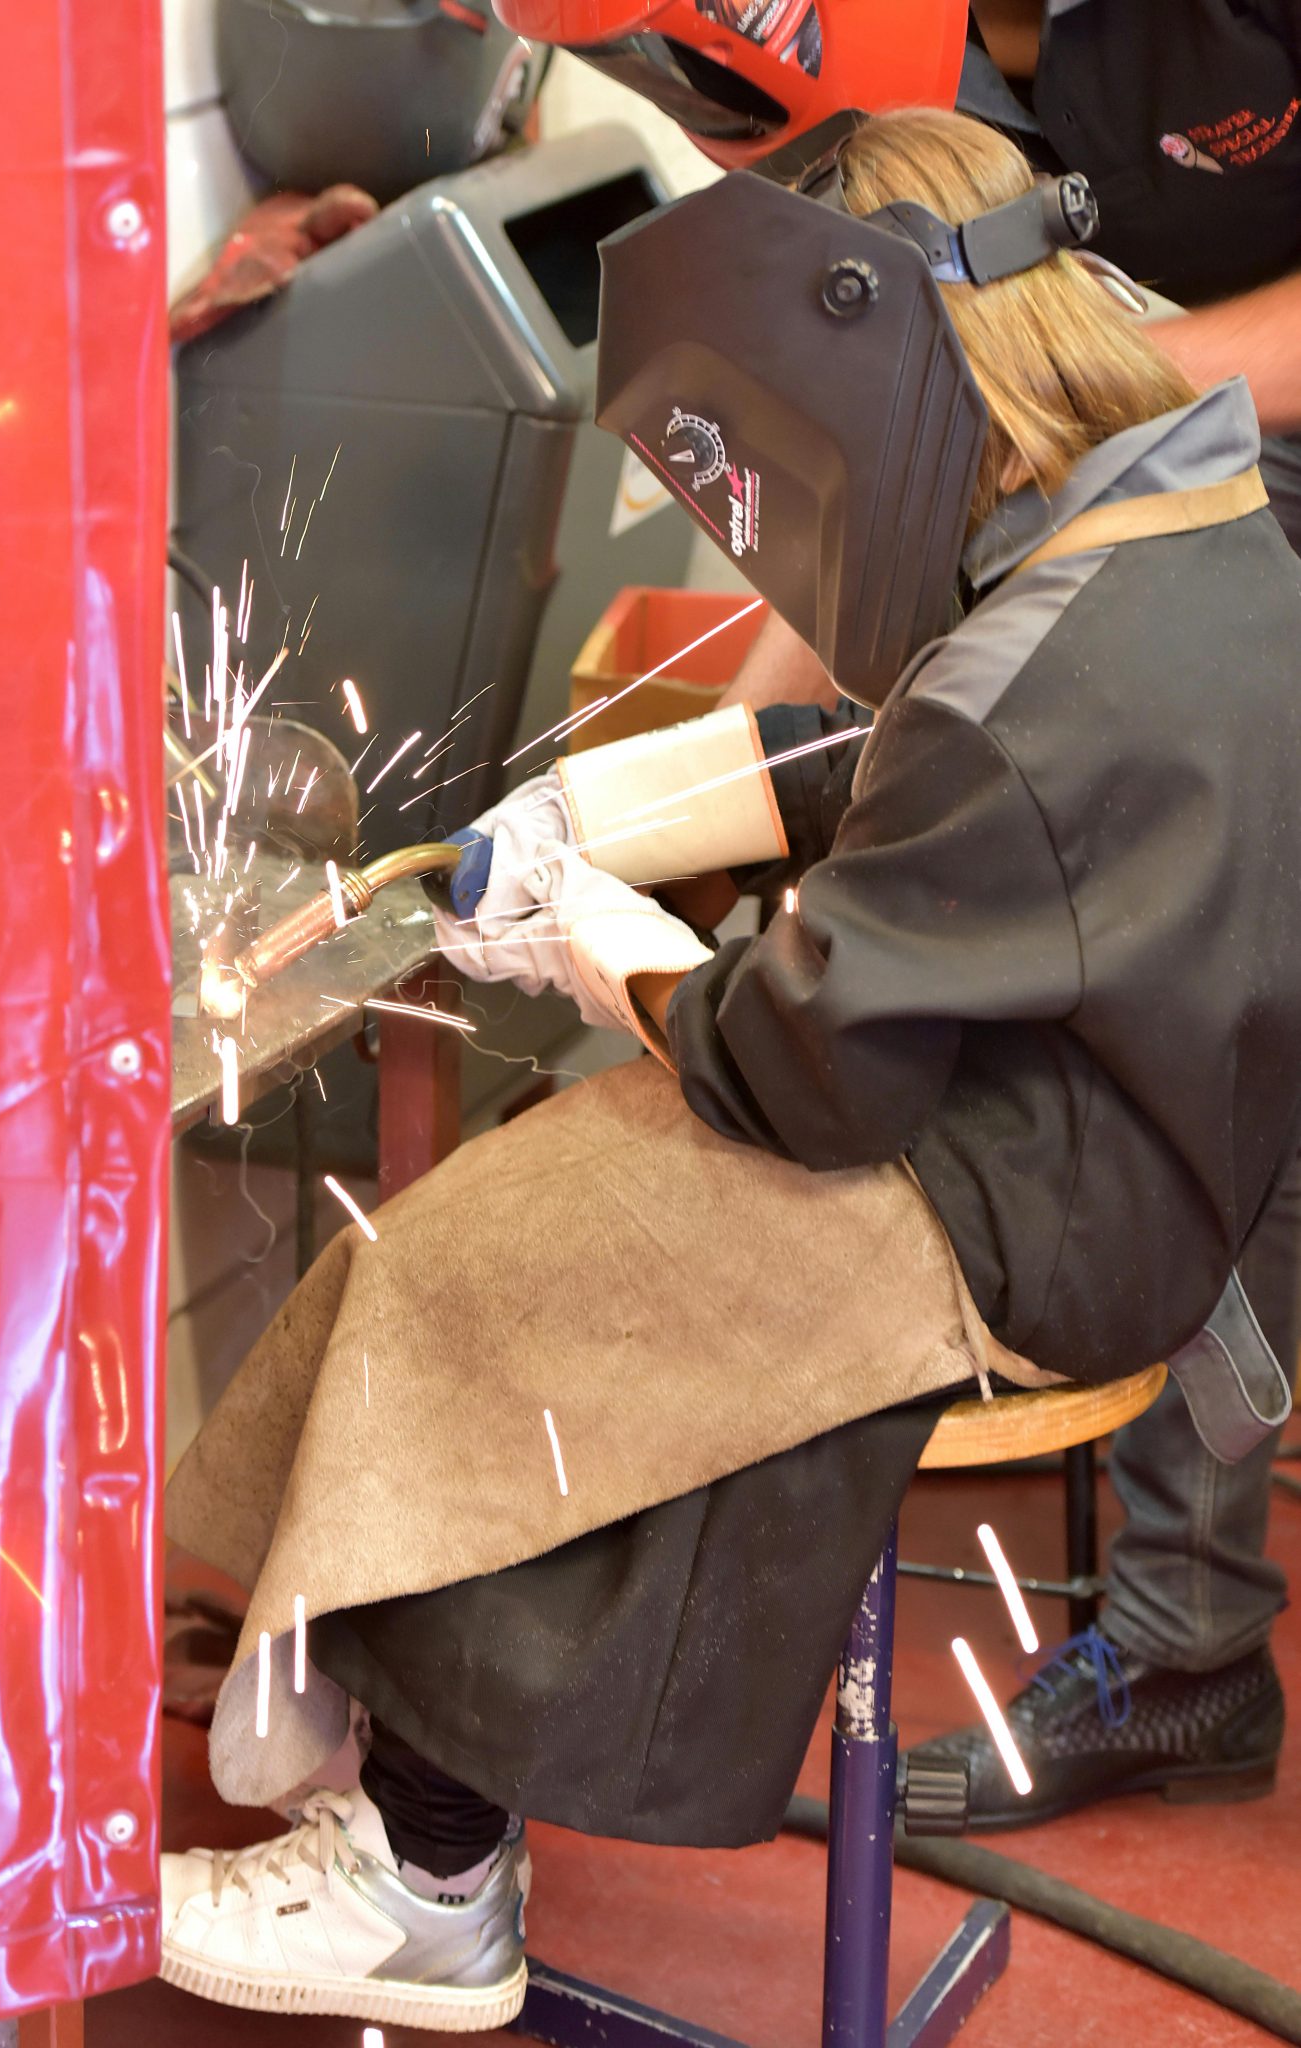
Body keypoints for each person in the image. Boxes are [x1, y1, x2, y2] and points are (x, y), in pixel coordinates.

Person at [160, 107, 1301, 2030]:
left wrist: (623, 959)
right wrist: (624, 806)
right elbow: (936, 754)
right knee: (554, 1183)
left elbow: (801, 1075)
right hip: (1127, 1133)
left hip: (1028, 1213)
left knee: (494, 1282)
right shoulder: (1172, 525)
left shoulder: (1027, 702)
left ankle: (423, 1879)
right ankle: (365, 1671)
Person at [528, 0, 1301, 1828]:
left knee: (1214, 999)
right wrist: (729, 774)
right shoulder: (844, 39)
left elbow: (990, 407)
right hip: (1099, 450)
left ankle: (1185, 1639)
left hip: (1225, 468)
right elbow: (870, 470)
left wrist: (1053, 378)